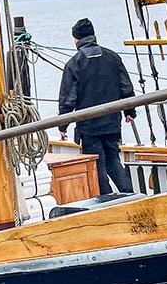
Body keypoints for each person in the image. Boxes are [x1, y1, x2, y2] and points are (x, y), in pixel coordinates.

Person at [57, 18, 136, 195]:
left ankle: (107, 200)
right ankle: (129, 193)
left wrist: (63, 125)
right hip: (112, 122)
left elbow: (68, 98)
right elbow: (126, 86)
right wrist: (129, 111)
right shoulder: (112, 57)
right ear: (93, 35)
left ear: (76, 39)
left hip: (89, 126)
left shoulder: (74, 64)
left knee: (97, 166)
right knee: (113, 160)